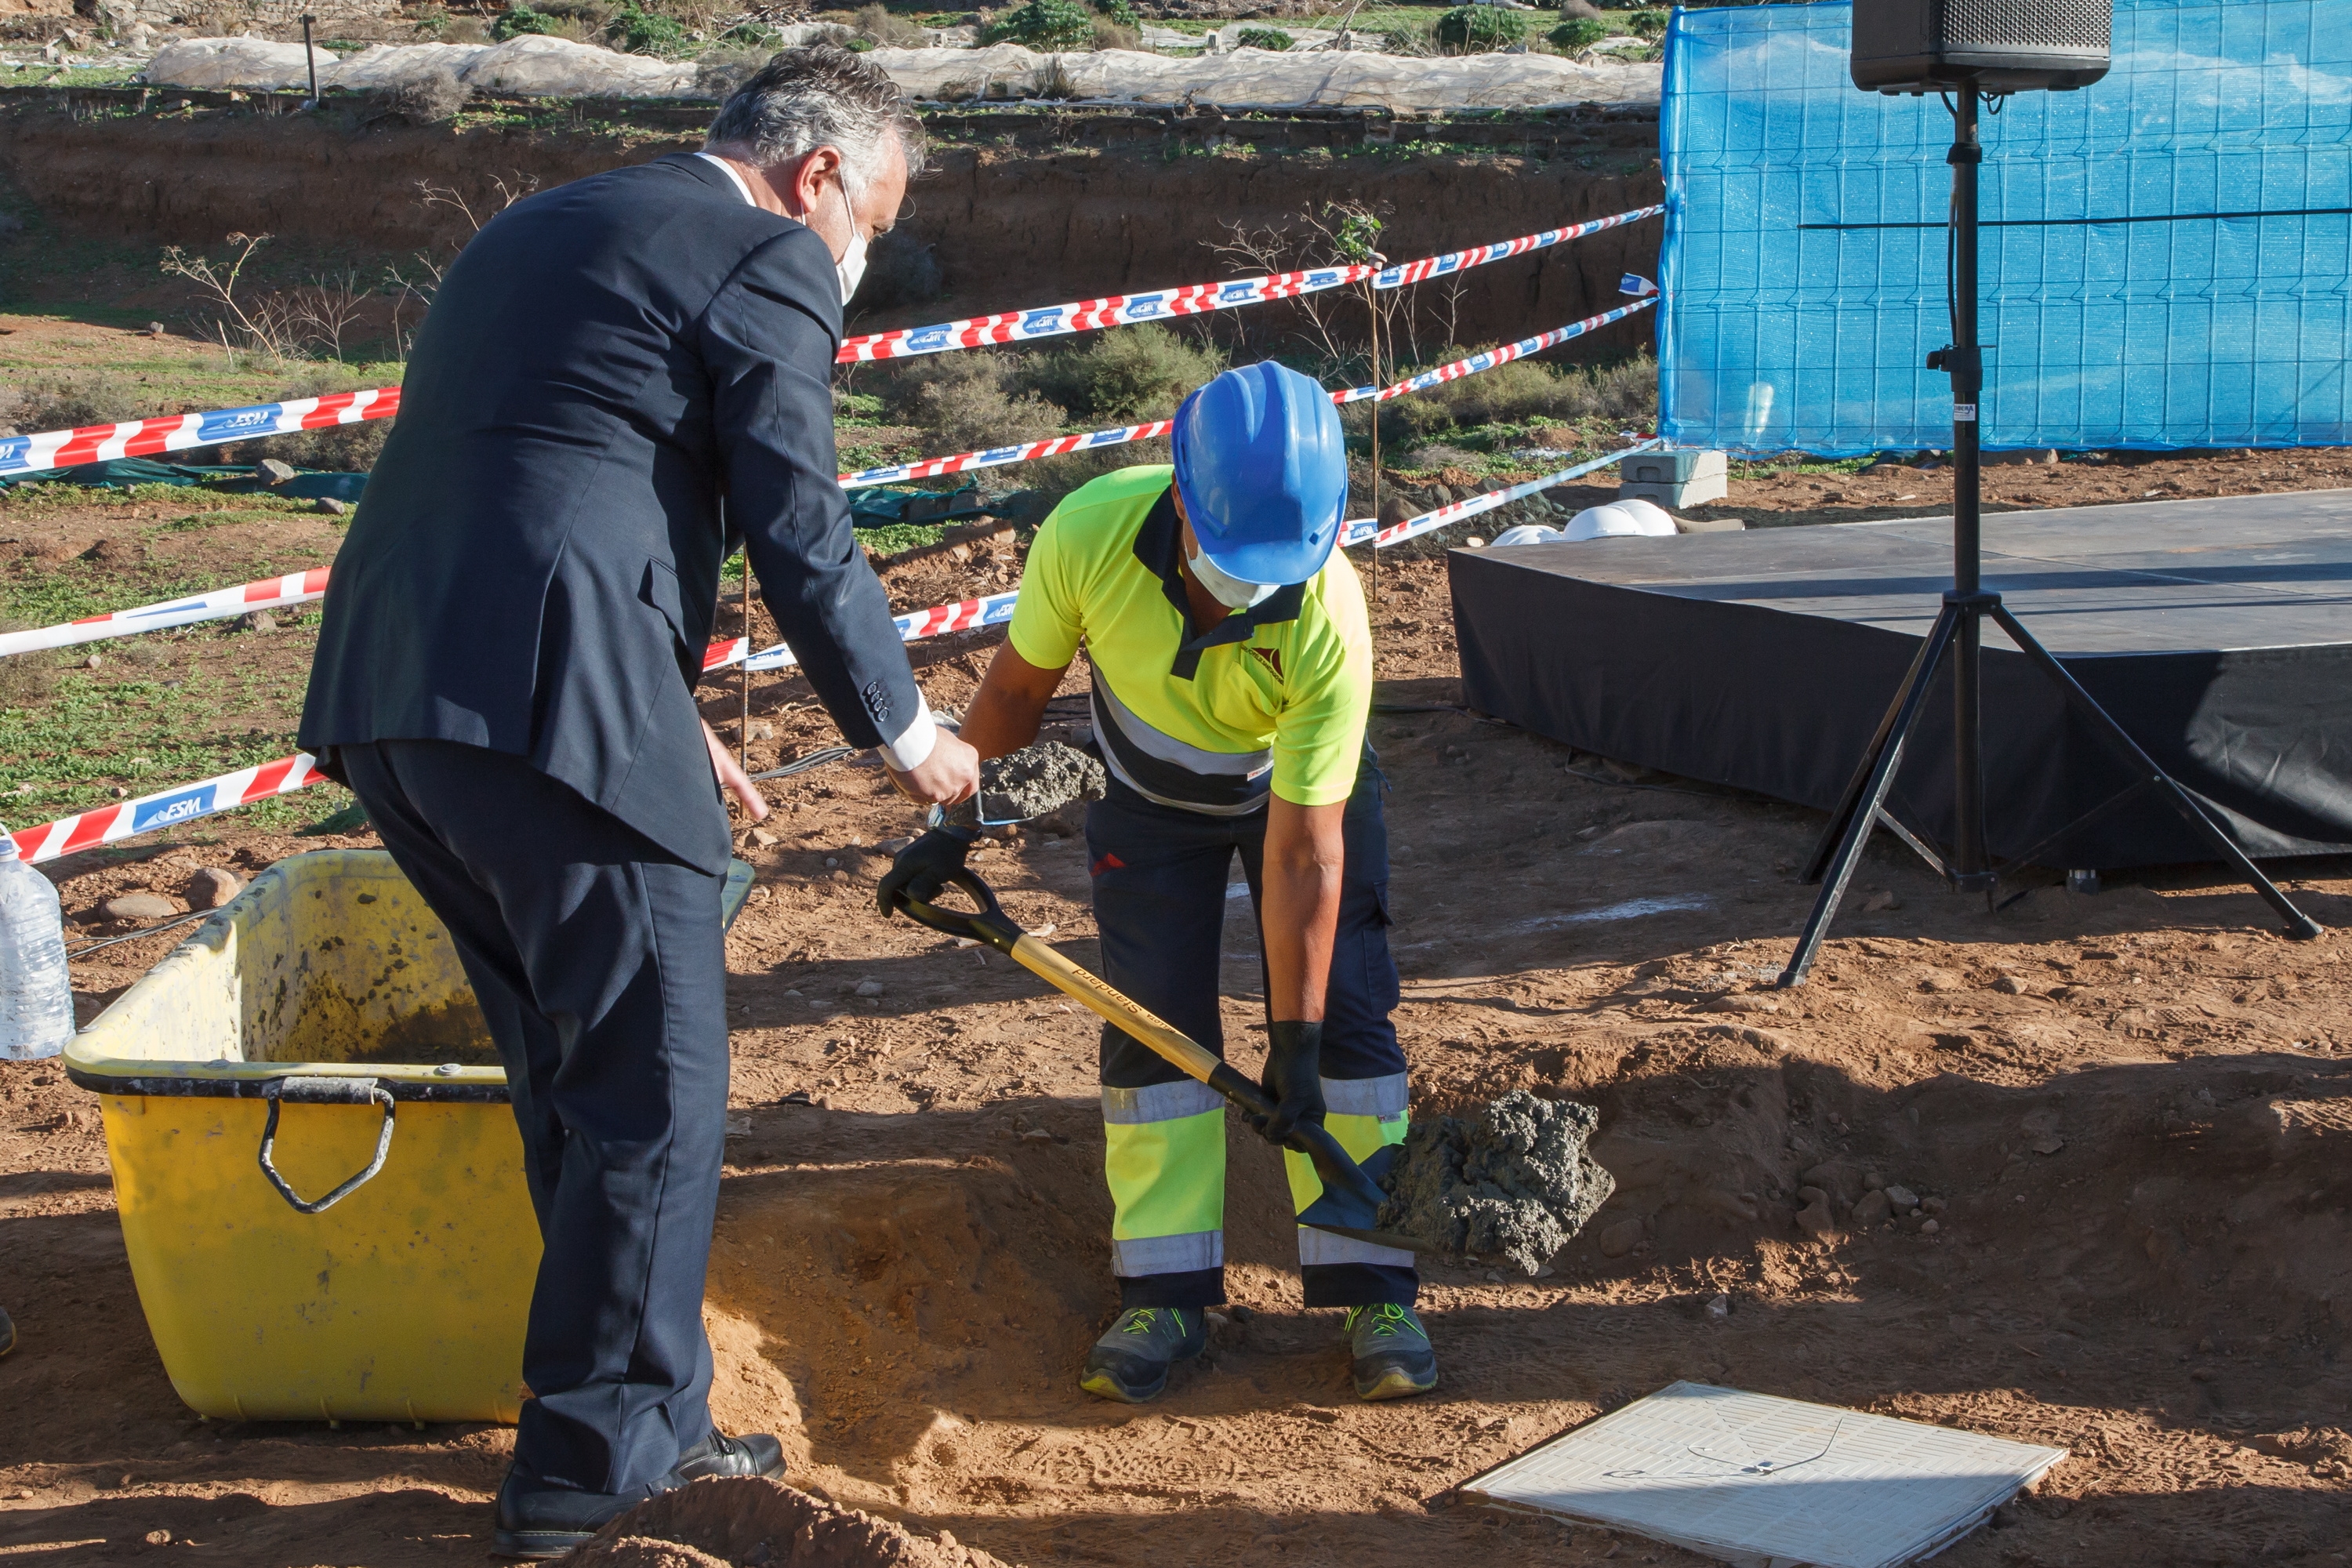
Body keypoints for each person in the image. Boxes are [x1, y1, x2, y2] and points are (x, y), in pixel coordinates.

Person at [298, 47, 979, 1558]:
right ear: (818, 177)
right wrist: (909, 730)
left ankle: (652, 1425)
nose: (865, 251)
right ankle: (592, 1471)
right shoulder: (766, 253)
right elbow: (799, 515)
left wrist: (661, 708)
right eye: (874, 212)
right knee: (655, 1087)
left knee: (577, 1069)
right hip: (554, 695)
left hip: (401, 690)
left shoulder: (540, 223)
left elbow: (555, 464)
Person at [880, 362, 1436, 1406]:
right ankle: (1167, 1294)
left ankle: (1375, 1287)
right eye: (1236, 557)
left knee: (1348, 1022)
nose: (1256, 581)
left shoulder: (1329, 614)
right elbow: (1014, 690)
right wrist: (950, 829)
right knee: (1150, 1022)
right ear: (1182, 497)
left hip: (1301, 798)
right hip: (1146, 797)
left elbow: (1305, 854)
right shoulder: (1087, 533)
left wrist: (1297, 1047)